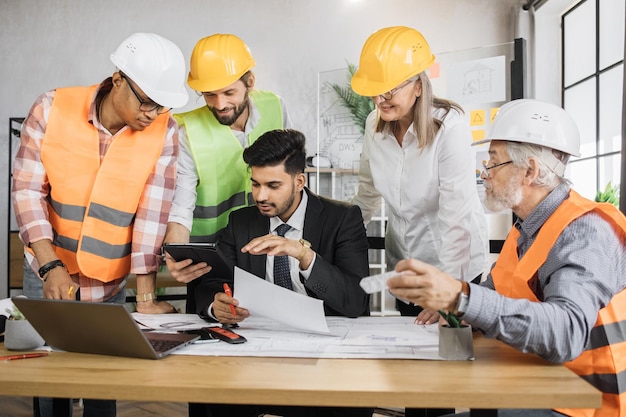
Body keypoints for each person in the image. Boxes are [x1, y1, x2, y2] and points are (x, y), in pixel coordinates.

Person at [387, 99, 626, 417]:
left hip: (582, 403)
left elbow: (567, 333)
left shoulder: (585, 232)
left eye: (493, 163)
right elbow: (498, 293)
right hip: (539, 381)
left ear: (530, 170)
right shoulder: (527, 227)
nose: (484, 174)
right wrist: (455, 307)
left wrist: (463, 299)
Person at [12, 32, 189, 417]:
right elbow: (27, 190)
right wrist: (49, 265)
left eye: (162, 105)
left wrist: (145, 298)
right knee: (49, 379)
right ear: (118, 78)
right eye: (147, 101)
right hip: (48, 272)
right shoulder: (51, 107)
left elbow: (151, 214)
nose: (152, 113)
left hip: (109, 282)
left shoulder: (167, 131)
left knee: (104, 381)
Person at [169, 128, 372, 417]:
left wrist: (304, 254)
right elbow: (213, 280)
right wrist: (217, 304)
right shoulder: (242, 221)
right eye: (255, 184)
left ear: (299, 181)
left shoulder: (342, 219)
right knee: (209, 391)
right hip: (256, 345)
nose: (260, 195)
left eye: (273, 186)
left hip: (323, 347)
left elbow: (355, 302)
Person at [350, 26, 488, 322]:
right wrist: (334, 239)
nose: (381, 98)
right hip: (406, 266)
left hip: (454, 266)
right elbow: (367, 193)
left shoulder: (450, 128)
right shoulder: (373, 124)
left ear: (419, 85)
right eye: (376, 88)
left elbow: (457, 217)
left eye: (392, 87)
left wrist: (448, 291)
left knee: (453, 355)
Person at [163, 33, 292, 314]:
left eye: (229, 92)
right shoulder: (187, 132)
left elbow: (293, 175)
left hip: (269, 251)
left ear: (250, 83)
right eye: (209, 94)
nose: (219, 104)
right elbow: (180, 204)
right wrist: (175, 251)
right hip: (211, 262)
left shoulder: (276, 107)